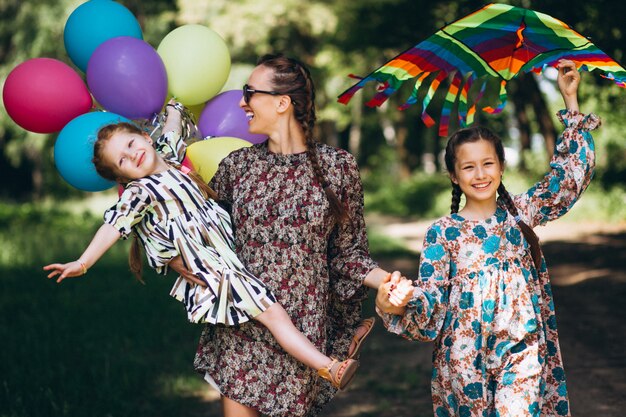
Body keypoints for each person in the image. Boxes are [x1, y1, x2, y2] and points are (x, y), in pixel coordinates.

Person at [42, 102, 361, 390]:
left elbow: (170, 129)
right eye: (122, 161)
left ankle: (337, 339)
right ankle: (328, 367)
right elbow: (113, 225)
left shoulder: (166, 156)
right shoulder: (142, 192)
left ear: (144, 136)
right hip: (215, 270)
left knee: (287, 288)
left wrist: (175, 107)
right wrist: (83, 262)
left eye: (131, 143)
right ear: (122, 177)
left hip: (233, 254)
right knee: (276, 316)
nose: (132, 154)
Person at [167, 54, 397, 417]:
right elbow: (201, 228)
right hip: (242, 322)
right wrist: (173, 254)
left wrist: (387, 282)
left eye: (250, 92)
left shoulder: (338, 167)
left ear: (281, 102)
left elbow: (348, 253)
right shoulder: (237, 166)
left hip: (302, 329)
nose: (242, 102)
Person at [376, 59, 600, 417]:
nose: (479, 174)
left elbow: (571, 176)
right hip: (463, 366)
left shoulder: (520, 214)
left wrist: (570, 101)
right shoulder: (443, 232)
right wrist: (399, 300)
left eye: (488, 163)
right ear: (454, 175)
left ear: (501, 166)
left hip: (522, 354)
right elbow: (431, 299)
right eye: (468, 166)